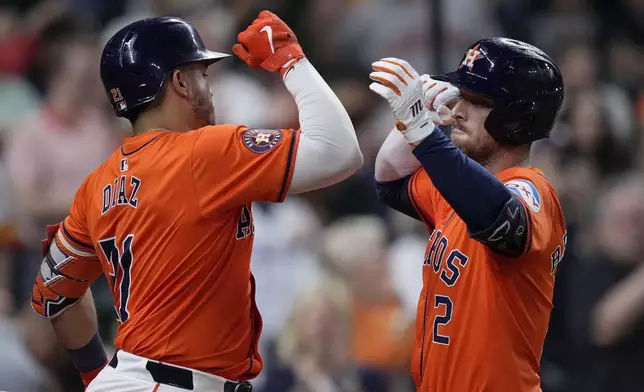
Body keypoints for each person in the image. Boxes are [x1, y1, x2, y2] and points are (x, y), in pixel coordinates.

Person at [31, 11, 362, 392]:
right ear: (181, 82)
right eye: (202, 74)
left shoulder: (97, 183)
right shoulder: (204, 151)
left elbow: (55, 289)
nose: (209, 85)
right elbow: (340, 153)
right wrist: (291, 60)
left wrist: (96, 375)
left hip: (136, 379)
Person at [371, 38, 566, 391]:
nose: (458, 109)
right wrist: (421, 120)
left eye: (477, 102)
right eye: (459, 95)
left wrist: (424, 135)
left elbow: (504, 223)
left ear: (516, 118)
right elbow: (389, 181)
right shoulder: (459, 189)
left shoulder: (533, 189)